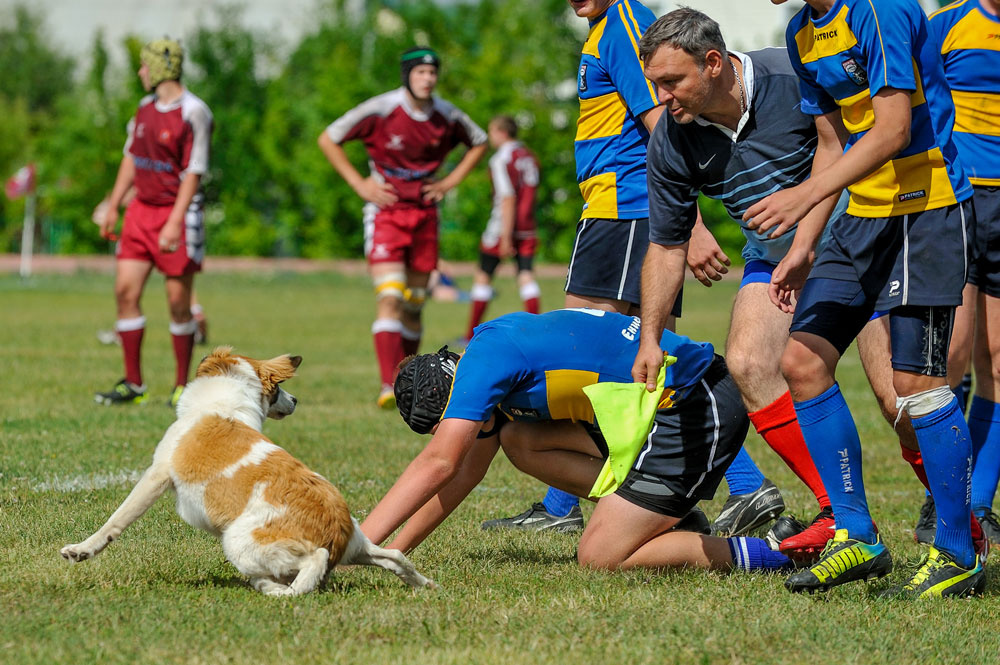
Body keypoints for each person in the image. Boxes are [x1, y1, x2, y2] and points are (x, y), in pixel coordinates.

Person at [747, 0, 982, 598]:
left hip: (927, 213)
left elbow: (894, 128)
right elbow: (832, 145)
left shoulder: (877, 8)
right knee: (802, 361)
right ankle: (858, 536)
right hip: (861, 219)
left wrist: (803, 196)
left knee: (916, 384)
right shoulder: (802, 32)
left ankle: (959, 552)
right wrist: (805, 244)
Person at [485, 0, 727, 532]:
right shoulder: (607, 26)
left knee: (579, 354)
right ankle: (745, 490)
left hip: (625, 208)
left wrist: (689, 223)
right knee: (638, 368)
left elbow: (663, 123)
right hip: (620, 209)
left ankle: (564, 507)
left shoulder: (624, 24)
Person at [359, 308, 795, 576]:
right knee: (520, 438)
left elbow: (440, 463)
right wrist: (389, 552)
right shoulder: (485, 358)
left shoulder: (485, 366)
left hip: (695, 401)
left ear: (454, 397)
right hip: (658, 412)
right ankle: (664, 520)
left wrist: (354, 544)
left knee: (600, 556)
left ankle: (776, 552)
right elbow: (461, 474)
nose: (456, 434)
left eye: (446, 426)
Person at [318, 47, 487, 409]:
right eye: (420, 72)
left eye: (433, 72)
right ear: (407, 75)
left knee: (414, 303)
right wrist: (360, 184)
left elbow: (480, 141)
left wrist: (449, 182)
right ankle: (388, 384)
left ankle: (406, 380)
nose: (428, 79)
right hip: (386, 214)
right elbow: (328, 138)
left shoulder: (446, 115)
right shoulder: (381, 109)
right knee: (390, 296)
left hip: (424, 216)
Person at [95, 38, 213, 408]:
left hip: (176, 212)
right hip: (140, 212)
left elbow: (194, 171)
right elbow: (131, 158)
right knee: (125, 293)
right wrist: (114, 205)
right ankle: (134, 384)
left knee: (178, 303)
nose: (140, 72)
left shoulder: (194, 112)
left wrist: (175, 222)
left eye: (145, 65)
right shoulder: (144, 109)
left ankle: (181, 387)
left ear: (161, 67)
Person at [926, 0, 1000, 546]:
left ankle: (978, 505)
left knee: (997, 359)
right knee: (951, 356)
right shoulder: (949, 24)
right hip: (963, 199)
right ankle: (941, 494)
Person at [93, 188, 209, 347]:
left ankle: (123, 329)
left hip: (163, 220)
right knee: (177, 282)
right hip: (167, 216)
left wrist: (111, 204)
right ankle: (196, 313)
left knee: (171, 282)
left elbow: (140, 187)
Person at [463, 115, 543, 341]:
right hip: (527, 226)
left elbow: (507, 198)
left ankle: (470, 335)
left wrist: (505, 236)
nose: (490, 137)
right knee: (526, 276)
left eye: (491, 132)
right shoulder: (528, 156)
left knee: (483, 276)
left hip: (502, 227)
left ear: (501, 132)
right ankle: (537, 331)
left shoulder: (501, 159)